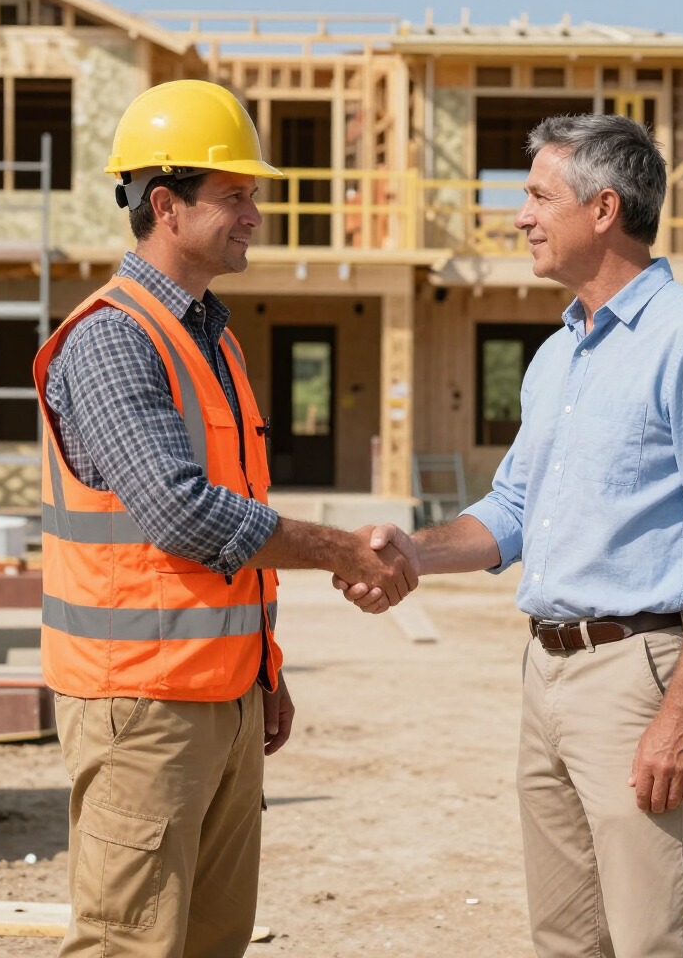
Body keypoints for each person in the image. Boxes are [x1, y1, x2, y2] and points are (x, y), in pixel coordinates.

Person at [336, 113, 683, 958]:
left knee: (658, 937)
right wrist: (412, 551)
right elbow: (510, 512)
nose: (520, 216)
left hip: (640, 675)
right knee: (566, 939)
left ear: (603, 208)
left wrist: (682, 714)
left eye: (537, 195)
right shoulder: (558, 356)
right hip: (546, 671)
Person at [34, 80, 417, 958]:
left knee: (212, 942)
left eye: (256, 196)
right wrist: (338, 550)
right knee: (128, 945)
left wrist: (262, 671)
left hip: (220, 694)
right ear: (165, 205)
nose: (255, 215)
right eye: (236, 196)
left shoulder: (212, 336)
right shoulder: (111, 338)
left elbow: (232, 537)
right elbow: (180, 512)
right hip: (140, 705)